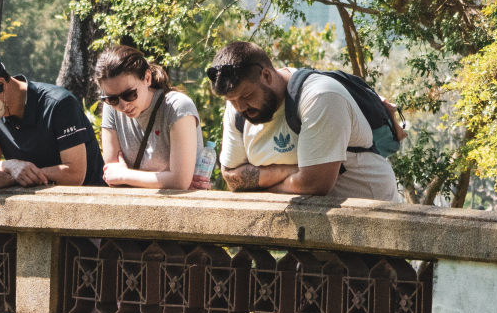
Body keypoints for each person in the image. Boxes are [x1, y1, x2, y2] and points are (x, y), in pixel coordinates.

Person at [205, 41, 402, 201]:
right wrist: (292, 171)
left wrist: (261, 187)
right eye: (231, 100)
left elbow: (315, 185)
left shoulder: (320, 96)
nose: (240, 107)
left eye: (247, 95)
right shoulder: (236, 108)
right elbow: (231, 178)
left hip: (369, 216)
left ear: (266, 76)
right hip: (303, 223)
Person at [0, 51, 106, 190]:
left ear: (0, 85)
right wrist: (10, 165)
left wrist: (14, 177)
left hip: (87, 201)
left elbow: (75, 174)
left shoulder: (59, 103)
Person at [93, 42, 213, 190]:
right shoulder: (110, 108)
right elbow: (112, 175)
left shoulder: (177, 107)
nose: (123, 106)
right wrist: (166, 179)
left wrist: (125, 176)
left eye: (129, 94)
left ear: (147, 78)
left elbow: (179, 182)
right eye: (111, 99)